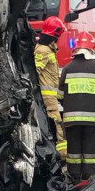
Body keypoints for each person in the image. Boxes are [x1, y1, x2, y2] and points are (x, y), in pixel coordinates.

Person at [59, 32, 95, 181]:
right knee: (89, 148)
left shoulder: (67, 68)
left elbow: (60, 95)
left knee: (73, 148)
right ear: (92, 48)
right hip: (92, 118)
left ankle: (74, 175)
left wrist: (69, 106)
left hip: (71, 119)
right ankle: (89, 176)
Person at [34, 16, 68, 156]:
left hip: (51, 96)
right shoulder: (43, 51)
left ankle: (60, 154)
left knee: (57, 123)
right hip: (47, 97)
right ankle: (61, 156)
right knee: (56, 123)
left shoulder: (48, 49)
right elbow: (36, 71)